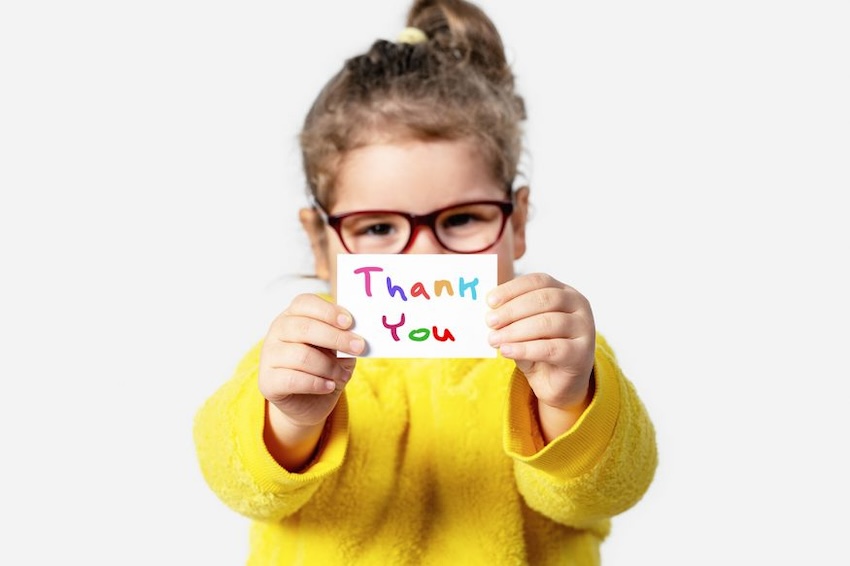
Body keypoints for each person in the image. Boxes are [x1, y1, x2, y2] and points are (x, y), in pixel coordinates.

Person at [193, 0, 657, 563]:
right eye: (379, 227)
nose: (424, 252)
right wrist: (289, 419)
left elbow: (605, 494)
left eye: (460, 219)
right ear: (321, 242)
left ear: (518, 222)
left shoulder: (558, 353)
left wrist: (565, 400)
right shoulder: (294, 359)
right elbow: (236, 482)